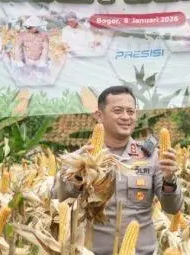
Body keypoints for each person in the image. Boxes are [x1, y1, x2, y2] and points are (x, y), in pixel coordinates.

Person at [52, 85, 182, 255]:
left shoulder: (151, 157)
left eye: (131, 111)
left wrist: (169, 179)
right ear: (99, 115)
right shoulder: (81, 158)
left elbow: (172, 208)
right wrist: (79, 174)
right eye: (118, 111)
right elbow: (57, 200)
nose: (126, 117)